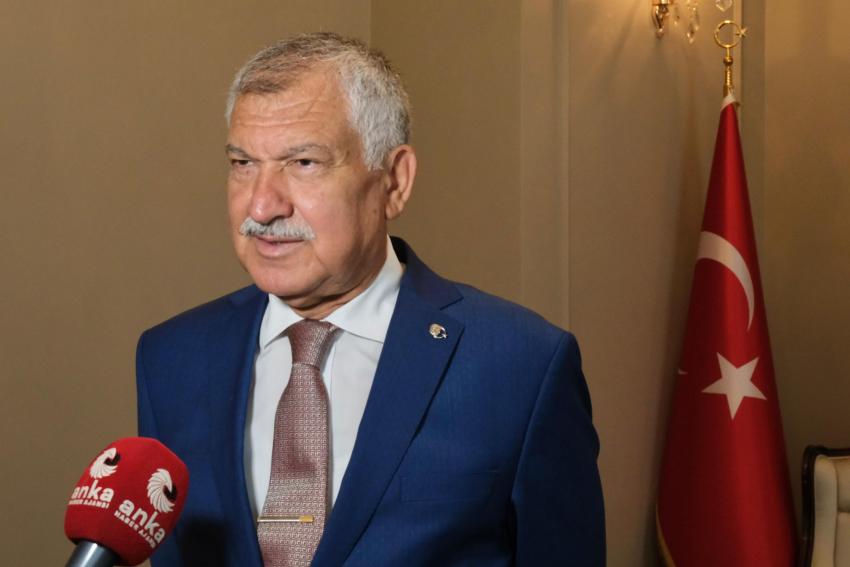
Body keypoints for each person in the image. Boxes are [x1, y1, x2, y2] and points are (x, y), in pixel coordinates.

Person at [136, 32, 604, 566]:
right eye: (243, 163)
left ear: (394, 182)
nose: (261, 206)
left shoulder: (521, 365)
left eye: (303, 162)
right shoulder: (171, 359)